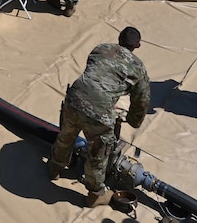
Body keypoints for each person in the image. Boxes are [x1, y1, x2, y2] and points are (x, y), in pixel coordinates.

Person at [48, 26, 150, 207]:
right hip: (99, 110)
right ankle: (95, 194)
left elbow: (96, 74)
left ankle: (54, 168)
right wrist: (134, 121)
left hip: (75, 96)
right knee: (98, 153)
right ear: (138, 46)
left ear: (119, 38)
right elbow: (141, 100)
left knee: (66, 134)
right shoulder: (138, 67)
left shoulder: (101, 48)